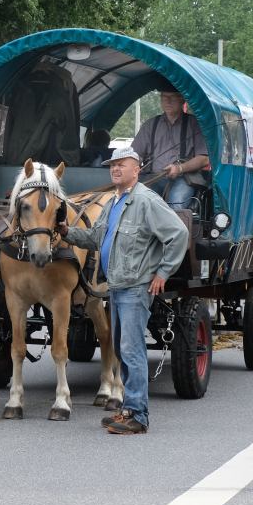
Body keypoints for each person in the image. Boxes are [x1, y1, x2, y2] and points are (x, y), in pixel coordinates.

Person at [57, 146, 187, 435]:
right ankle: (128, 409)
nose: (115, 169)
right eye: (112, 165)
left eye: (121, 164)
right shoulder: (113, 203)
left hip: (136, 287)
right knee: (122, 348)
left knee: (132, 350)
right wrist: (67, 233)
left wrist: (163, 272)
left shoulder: (146, 201)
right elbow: (94, 238)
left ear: (136, 170)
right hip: (116, 286)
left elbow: (178, 234)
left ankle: (138, 416)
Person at [131, 86, 210, 210]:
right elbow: (134, 155)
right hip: (152, 177)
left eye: (172, 97)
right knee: (138, 202)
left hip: (184, 178)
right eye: (164, 97)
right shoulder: (150, 125)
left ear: (182, 100)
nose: (167, 101)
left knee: (176, 204)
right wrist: (132, 167)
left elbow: (204, 159)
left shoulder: (195, 124)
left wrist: (179, 168)